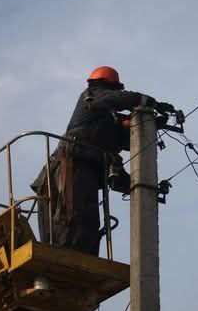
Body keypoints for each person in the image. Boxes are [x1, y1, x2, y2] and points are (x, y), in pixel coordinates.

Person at [32, 66, 174, 255]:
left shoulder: (104, 131)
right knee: (71, 220)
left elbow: (119, 172)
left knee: (83, 222)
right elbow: (115, 99)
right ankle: (70, 254)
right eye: (116, 90)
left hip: (80, 171)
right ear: (106, 86)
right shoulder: (90, 97)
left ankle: (78, 256)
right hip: (68, 169)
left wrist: (148, 189)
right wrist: (149, 102)